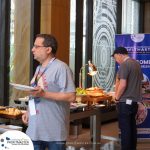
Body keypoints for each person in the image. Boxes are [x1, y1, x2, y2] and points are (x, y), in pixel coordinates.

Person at [22, 34, 76, 150]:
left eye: (36, 46)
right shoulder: (38, 68)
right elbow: (34, 94)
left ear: (48, 49)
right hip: (34, 129)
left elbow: (71, 96)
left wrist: (44, 94)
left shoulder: (62, 68)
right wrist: (28, 112)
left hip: (54, 132)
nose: (32, 49)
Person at [111, 47, 143, 150]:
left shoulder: (124, 65)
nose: (116, 61)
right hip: (134, 102)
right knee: (132, 127)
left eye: (116, 58)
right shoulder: (136, 63)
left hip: (125, 102)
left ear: (120, 54)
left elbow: (123, 84)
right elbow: (139, 81)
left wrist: (116, 97)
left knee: (125, 129)